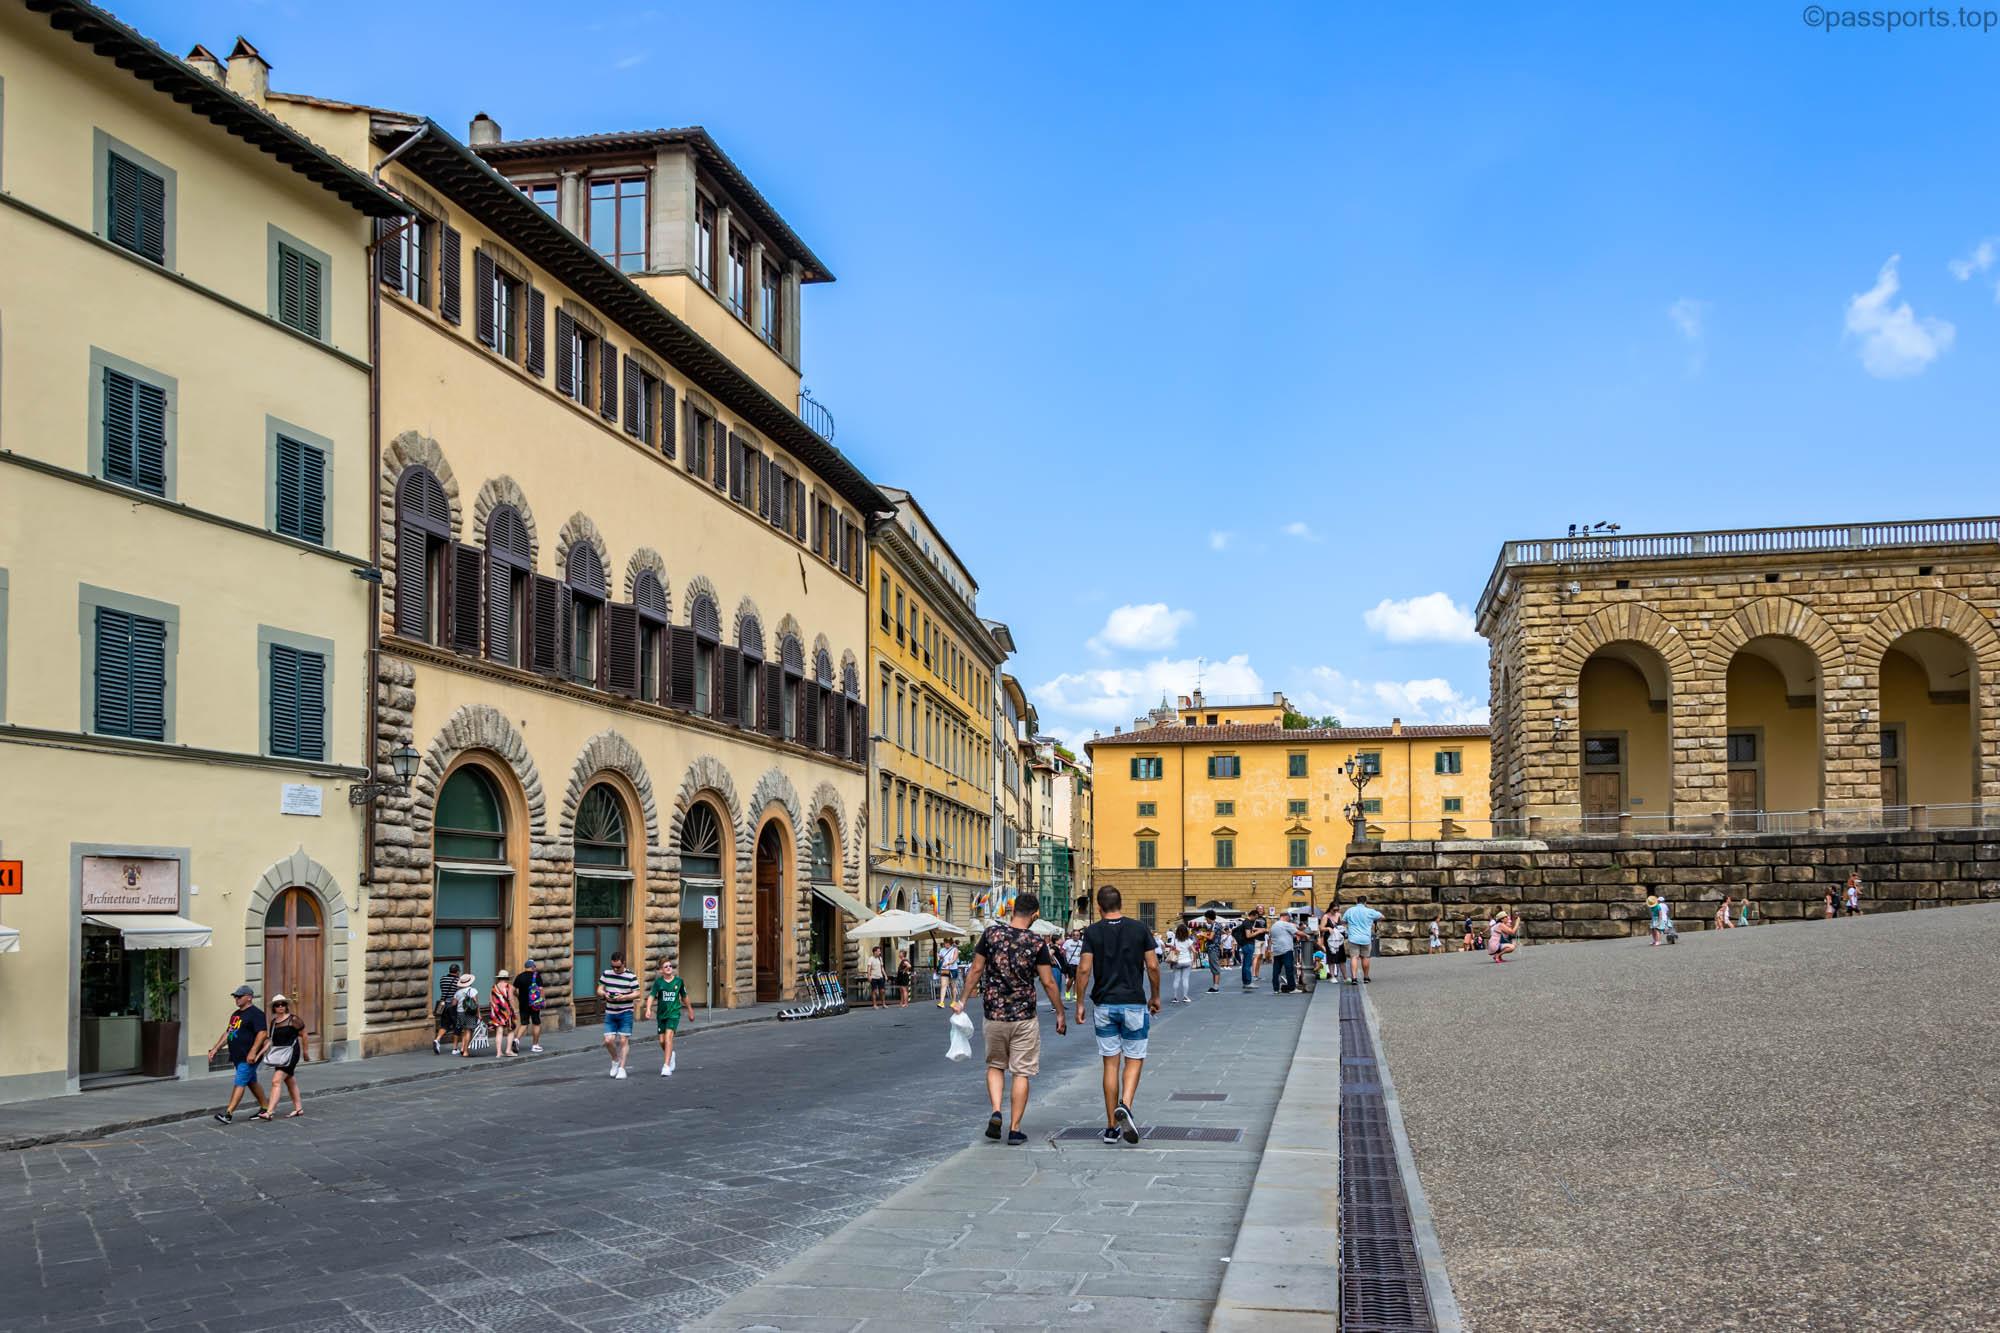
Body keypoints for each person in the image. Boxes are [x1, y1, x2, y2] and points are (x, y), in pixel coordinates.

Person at [956, 892, 1068, 1146]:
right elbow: (1049, 982)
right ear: (1035, 915)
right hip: (1024, 1017)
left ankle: (996, 1111)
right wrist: (1060, 1012)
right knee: (1021, 1072)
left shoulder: (991, 934)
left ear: (1013, 910)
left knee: (996, 1065)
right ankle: (1015, 1129)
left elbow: (976, 969)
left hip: (994, 1014)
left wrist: (962, 1000)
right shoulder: (1036, 942)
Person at [1074, 885, 1160, 1145]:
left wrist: (1080, 1002)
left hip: (1104, 1005)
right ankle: (1126, 1105)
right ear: (1121, 904)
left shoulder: (1092, 932)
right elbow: (1152, 966)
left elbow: (1083, 970)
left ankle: (1111, 1128)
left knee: (1110, 1064)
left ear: (1099, 907)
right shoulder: (1139, 928)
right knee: (1134, 1058)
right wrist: (1155, 996)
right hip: (1134, 1003)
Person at [210, 986, 271, 1124]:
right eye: (235, 997)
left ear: (249, 997)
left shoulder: (256, 1014)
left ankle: (228, 1114)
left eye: (239, 996)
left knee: (240, 1081)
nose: (236, 999)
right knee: (251, 1081)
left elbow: (262, 1033)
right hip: (238, 1056)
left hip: (248, 1056)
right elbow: (228, 1033)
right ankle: (265, 1108)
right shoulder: (236, 1014)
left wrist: (253, 1052)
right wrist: (215, 1049)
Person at [260, 995, 307, 1118]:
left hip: (291, 1053)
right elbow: (270, 1040)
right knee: (290, 1080)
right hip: (280, 1055)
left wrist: (305, 1052)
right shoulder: (274, 1022)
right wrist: (259, 1054)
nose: (280, 1006)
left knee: (276, 1081)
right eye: (277, 1005)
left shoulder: (293, 1019)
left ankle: (269, 1112)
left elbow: (304, 1034)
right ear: (274, 1008)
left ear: (286, 1006)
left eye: (283, 1004)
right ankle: (299, 1109)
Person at [644, 955, 689, 1077]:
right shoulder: (658, 983)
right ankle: (671, 1055)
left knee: (668, 1038)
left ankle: (666, 1066)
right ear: (661, 971)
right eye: (666, 967)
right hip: (661, 1015)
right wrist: (648, 1009)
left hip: (673, 1014)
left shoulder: (678, 981)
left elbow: (684, 997)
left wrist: (690, 1010)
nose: (669, 968)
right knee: (662, 1041)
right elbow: (651, 996)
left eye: (670, 966)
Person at [597, 951, 639, 1079]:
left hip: (626, 1012)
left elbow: (637, 993)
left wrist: (624, 997)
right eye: (613, 966)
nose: (615, 969)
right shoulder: (606, 974)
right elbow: (599, 989)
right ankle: (615, 1060)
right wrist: (605, 994)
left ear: (624, 963)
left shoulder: (631, 976)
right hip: (610, 1012)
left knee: (623, 1040)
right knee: (608, 1040)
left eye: (618, 967)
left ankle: (622, 1068)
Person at [1341, 897, 1385, 984]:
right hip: (1365, 938)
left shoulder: (1350, 910)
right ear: (1365, 902)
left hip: (1353, 938)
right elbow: (1382, 917)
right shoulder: (1369, 911)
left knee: (1354, 957)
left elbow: (1343, 921)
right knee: (1365, 957)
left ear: (1356, 901)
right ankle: (1366, 977)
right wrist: (1373, 919)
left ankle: (1354, 978)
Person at [513, 960, 545, 1053]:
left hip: (523, 1003)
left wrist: (518, 996)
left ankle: (516, 1040)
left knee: (524, 1023)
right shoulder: (536, 975)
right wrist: (542, 1000)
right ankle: (535, 1045)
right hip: (534, 1003)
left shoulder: (519, 976)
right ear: (532, 967)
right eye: (534, 966)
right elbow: (541, 990)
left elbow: (513, 990)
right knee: (536, 1023)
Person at [1235, 910, 1266, 992]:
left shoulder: (1246, 922)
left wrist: (1257, 930)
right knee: (1247, 965)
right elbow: (1248, 935)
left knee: (1245, 964)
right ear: (1253, 915)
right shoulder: (1248, 922)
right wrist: (1258, 932)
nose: (1256, 919)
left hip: (1245, 945)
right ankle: (1248, 982)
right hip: (1248, 944)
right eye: (1256, 917)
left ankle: (1246, 982)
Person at [433, 963, 461, 1054]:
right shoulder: (458, 980)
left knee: (444, 1025)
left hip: (443, 1005)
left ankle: (437, 1039)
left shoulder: (443, 979)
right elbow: (458, 993)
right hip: (453, 1005)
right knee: (457, 1026)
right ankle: (455, 1048)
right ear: (457, 972)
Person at [1268, 911, 1298, 994]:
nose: (1289, 919)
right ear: (1286, 916)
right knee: (1289, 969)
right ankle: (1292, 988)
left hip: (1277, 950)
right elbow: (1297, 933)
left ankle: (1276, 989)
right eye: (1289, 918)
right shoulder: (1286, 924)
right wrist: (1306, 935)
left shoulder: (1274, 925)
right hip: (1286, 949)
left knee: (1276, 970)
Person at [1166, 922, 1197, 1003]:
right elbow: (1194, 951)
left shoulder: (1174, 940)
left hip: (1177, 962)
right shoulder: (1188, 940)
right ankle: (1185, 997)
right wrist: (1193, 961)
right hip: (1187, 961)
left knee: (1176, 979)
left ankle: (1175, 997)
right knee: (1185, 979)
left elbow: (1171, 950)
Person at [488, 974, 517, 1057]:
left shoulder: (493, 987)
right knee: (511, 1030)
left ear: (499, 978)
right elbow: (511, 999)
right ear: (507, 978)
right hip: (507, 1011)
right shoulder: (509, 987)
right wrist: (515, 1010)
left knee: (499, 1032)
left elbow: (490, 1000)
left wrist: (494, 1010)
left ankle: (498, 1053)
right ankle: (508, 1050)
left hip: (497, 1012)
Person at [451, 974, 480, 1056]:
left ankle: (463, 1048)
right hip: (469, 1013)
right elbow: (476, 1003)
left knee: (464, 1030)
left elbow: (453, 1004)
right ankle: (466, 1051)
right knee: (468, 1030)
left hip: (460, 1013)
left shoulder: (458, 992)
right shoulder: (473, 990)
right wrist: (479, 1014)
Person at [1202, 910, 1224, 992]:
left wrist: (1203, 934)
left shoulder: (1214, 925)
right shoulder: (1217, 924)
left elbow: (1211, 937)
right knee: (1213, 967)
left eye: (1206, 918)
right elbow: (1222, 932)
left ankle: (1216, 986)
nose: (1206, 920)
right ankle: (1214, 985)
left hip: (1213, 948)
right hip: (1214, 947)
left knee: (1215, 967)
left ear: (1208, 917)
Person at [936, 941, 962, 1009]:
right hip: (944, 969)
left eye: (947, 943)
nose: (946, 944)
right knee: (943, 985)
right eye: (945, 943)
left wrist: (948, 963)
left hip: (953, 969)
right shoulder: (942, 950)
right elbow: (941, 958)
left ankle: (954, 1001)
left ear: (950, 943)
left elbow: (954, 959)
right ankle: (941, 1002)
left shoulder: (955, 949)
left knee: (952, 986)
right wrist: (939, 957)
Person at [1059, 931, 1084, 1002]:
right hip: (1070, 963)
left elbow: (1083, 952)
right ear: (1072, 936)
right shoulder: (1068, 942)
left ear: (1079, 936)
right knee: (1071, 978)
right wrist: (1065, 959)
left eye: (1077, 935)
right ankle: (1067, 991)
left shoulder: (1081, 943)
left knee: (1077, 979)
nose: (1075, 936)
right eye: (1074, 935)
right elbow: (1063, 950)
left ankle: (1075, 994)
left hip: (1078, 963)